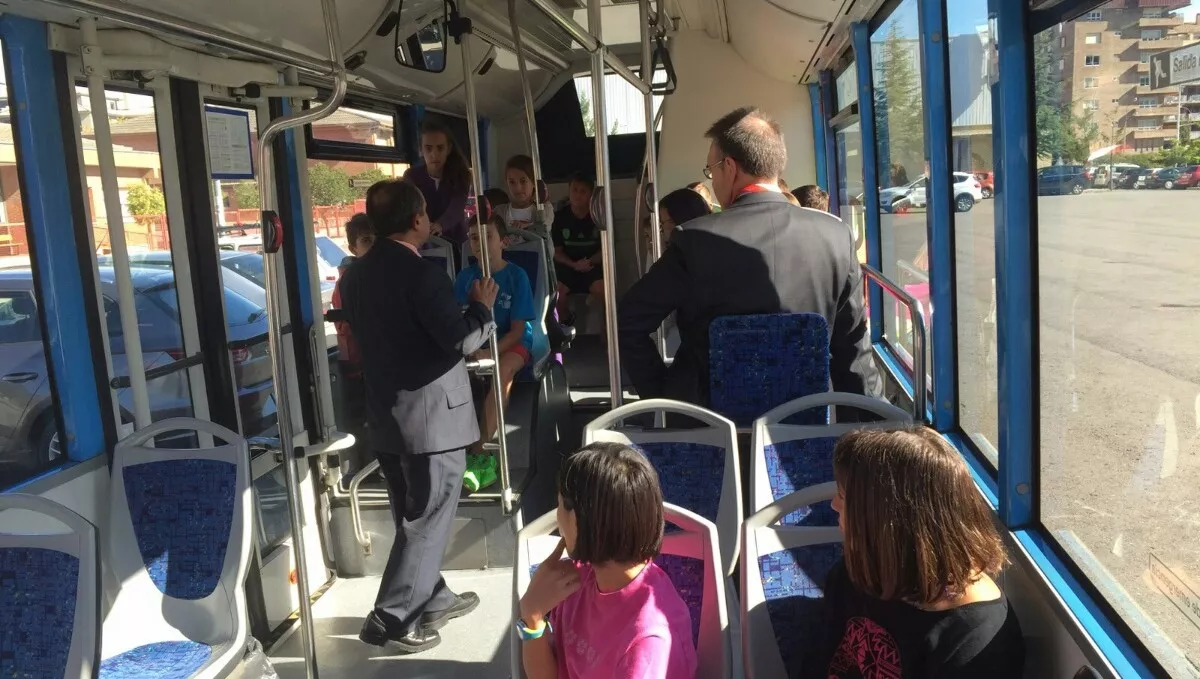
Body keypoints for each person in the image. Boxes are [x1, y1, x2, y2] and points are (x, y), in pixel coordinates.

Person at [618, 106, 882, 406]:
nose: (712, 181)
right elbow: (853, 349)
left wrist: (666, 398)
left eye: (711, 171)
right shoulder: (836, 236)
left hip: (710, 421)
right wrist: (874, 420)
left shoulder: (692, 240)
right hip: (806, 418)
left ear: (729, 168)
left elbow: (629, 320)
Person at [340, 179, 498, 654]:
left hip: (387, 416)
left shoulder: (355, 276)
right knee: (427, 519)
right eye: (427, 212)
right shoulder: (423, 275)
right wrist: (482, 310)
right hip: (433, 421)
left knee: (412, 515)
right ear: (416, 220)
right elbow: (458, 341)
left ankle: (432, 596)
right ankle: (393, 618)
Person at [804, 427, 1025, 677]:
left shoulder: (975, 642)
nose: (834, 505)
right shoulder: (858, 572)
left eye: (844, 497)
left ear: (887, 522)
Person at [518, 442, 698, 679]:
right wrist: (532, 616)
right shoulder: (576, 579)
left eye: (560, 505)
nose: (558, 519)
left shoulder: (649, 642)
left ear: (579, 520)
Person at [454, 214, 536, 491]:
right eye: (474, 238)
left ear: (503, 242)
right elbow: (458, 321)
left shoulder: (516, 276)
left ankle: (481, 453)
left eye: (487, 236)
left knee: (502, 371)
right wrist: (474, 349)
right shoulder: (465, 278)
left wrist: (488, 351)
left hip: (512, 344)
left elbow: (517, 331)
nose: (479, 243)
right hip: (475, 343)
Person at [329, 213, 375, 480]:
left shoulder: (371, 274)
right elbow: (349, 324)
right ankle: (363, 469)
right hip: (358, 359)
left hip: (368, 358)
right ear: (353, 248)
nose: (373, 247)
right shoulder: (350, 280)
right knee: (362, 418)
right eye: (366, 241)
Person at [403, 117, 473, 246]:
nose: (434, 155)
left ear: (449, 149)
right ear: (421, 150)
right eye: (428, 148)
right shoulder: (411, 176)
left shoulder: (461, 175)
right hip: (423, 241)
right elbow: (411, 209)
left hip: (456, 241)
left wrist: (440, 225)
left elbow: (456, 208)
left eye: (440, 148)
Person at [551, 173, 604, 323]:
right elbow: (556, 252)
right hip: (568, 267)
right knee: (557, 294)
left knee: (604, 291)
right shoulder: (559, 217)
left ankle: (607, 329)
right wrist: (573, 264)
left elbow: (606, 250)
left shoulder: (599, 217)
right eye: (574, 190)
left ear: (591, 195)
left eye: (583, 191)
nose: (578, 195)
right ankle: (566, 323)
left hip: (592, 266)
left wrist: (589, 262)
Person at [495, 154, 555, 245]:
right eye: (512, 182)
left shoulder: (543, 210)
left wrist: (528, 226)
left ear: (533, 182)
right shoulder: (499, 212)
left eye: (523, 181)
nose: (518, 188)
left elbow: (545, 227)